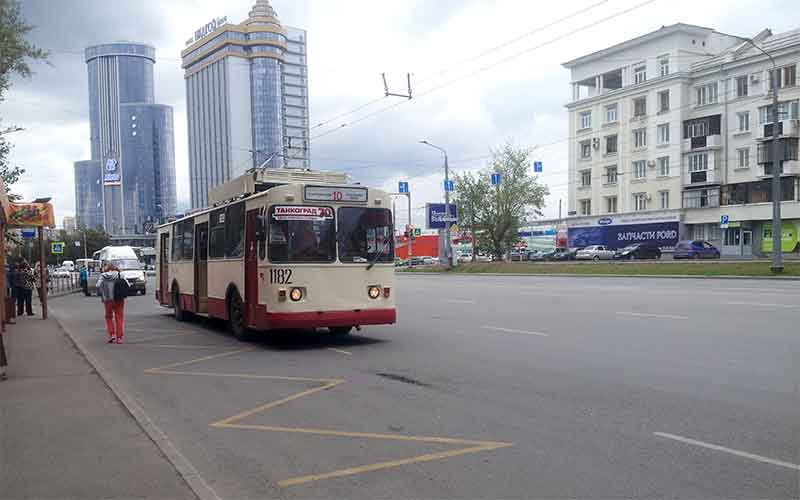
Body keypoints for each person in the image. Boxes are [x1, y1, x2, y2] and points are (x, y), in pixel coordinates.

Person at [96, 262, 125, 344]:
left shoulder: (103, 275)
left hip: (108, 299)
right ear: (116, 268)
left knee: (108, 317)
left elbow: (98, 285)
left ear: (107, 267)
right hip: (119, 298)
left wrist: (103, 290)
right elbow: (127, 284)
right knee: (119, 317)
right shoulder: (120, 275)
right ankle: (119, 338)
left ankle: (112, 335)